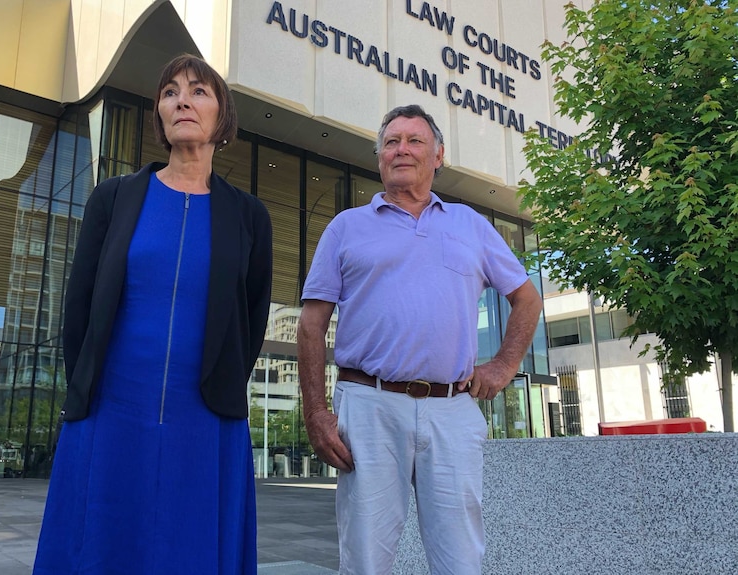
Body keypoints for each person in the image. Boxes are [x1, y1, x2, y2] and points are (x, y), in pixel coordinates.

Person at [33, 54, 272, 575]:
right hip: (113, 407)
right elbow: (79, 308)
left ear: (222, 117)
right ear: (160, 116)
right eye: (170, 92)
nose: (182, 99)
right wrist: (87, 388)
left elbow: (250, 319)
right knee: (101, 544)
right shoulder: (113, 198)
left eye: (198, 91)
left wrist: (220, 380)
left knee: (191, 550)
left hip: (205, 418)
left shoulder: (249, 216)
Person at [297, 104, 543, 574]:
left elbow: (527, 300)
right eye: (391, 142)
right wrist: (316, 412)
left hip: (451, 409)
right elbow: (311, 324)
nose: (401, 149)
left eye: (414, 140)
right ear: (379, 158)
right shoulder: (346, 227)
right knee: (366, 557)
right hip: (368, 405)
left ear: (438, 156)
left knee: (460, 559)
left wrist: (502, 366)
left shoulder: (470, 225)